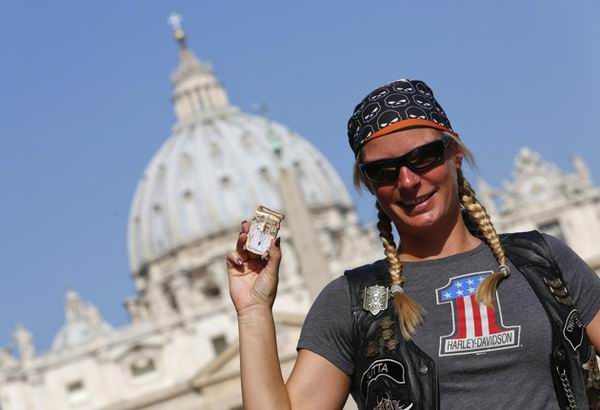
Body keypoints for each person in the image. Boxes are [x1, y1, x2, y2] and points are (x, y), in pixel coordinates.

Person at [226, 79, 600, 409]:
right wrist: (254, 310)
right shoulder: (350, 302)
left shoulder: (543, 260)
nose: (407, 181)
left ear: (455, 155)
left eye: (423, 157)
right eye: (384, 171)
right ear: (369, 185)